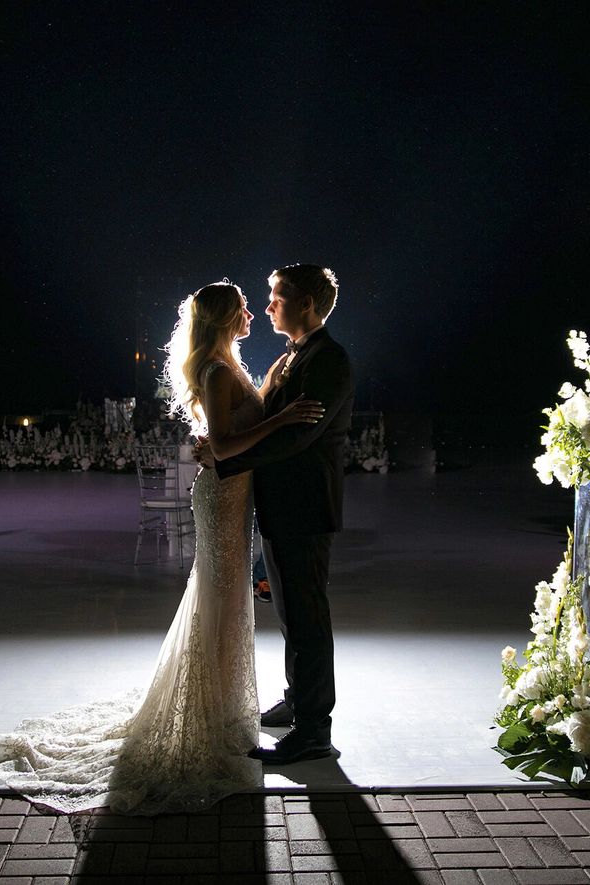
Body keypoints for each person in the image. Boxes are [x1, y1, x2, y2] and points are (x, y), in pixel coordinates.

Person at [0, 281, 322, 815]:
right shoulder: (218, 370)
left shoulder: (229, 365)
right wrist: (281, 419)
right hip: (222, 497)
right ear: (224, 318)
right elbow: (224, 444)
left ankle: (222, 708)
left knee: (227, 602)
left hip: (234, 496)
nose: (253, 313)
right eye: (243, 308)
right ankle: (210, 715)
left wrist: (269, 399)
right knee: (221, 600)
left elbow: (228, 435)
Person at [197, 264, 355, 765]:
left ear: (305, 303)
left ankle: (314, 731)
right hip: (282, 506)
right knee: (291, 615)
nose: (267, 307)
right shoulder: (292, 358)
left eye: (277, 298)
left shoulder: (328, 360)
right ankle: (297, 701)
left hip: (305, 507)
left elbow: (298, 436)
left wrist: (225, 460)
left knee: (308, 618)